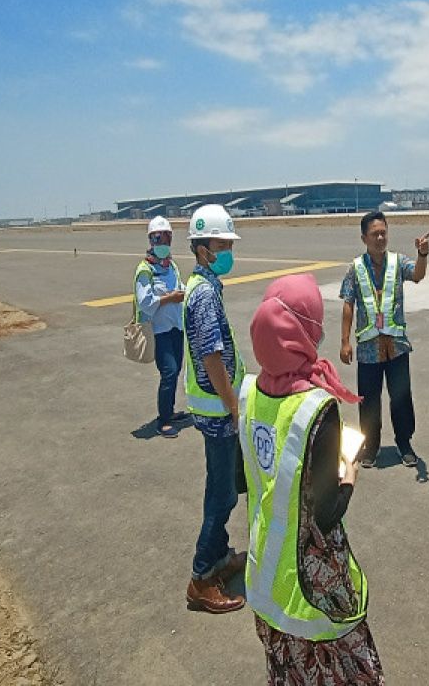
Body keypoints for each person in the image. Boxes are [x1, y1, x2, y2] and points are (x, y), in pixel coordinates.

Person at [241, 274, 385, 685]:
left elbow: (246, 477)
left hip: (265, 565)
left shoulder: (250, 394)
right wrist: (350, 473)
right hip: (310, 574)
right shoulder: (316, 407)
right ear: (305, 331)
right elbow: (326, 513)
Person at [183, 204, 248, 613]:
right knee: (222, 496)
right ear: (203, 249)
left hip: (213, 411)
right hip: (218, 414)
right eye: (222, 245)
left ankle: (221, 557)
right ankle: (202, 577)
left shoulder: (201, 285)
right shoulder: (204, 292)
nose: (228, 252)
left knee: (222, 488)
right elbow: (211, 356)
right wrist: (233, 407)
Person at [339, 211, 429, 468]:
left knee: (401, 397)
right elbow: (348, 304)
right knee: (368, 400)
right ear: (364, 238)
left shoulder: (398, 262)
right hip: (368, 348)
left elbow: (418, 275)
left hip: (397, 347)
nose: (380, 238)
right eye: (374, 234)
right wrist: (345, 341)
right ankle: (371, 447)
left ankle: (405, 443)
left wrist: (422, 254)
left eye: (383, 232)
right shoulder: (355, 268)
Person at [134, 216, 187, 437]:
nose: (163, 242)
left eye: (167, 237)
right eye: (159, 237)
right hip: (159, 331)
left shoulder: (171, 265)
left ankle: (170, 411)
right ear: (151, 239)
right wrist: (169, 298)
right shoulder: (145, 270)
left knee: (174, 373)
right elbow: (145, 302)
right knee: (169, 372)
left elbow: (180, 286)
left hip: (176, 327)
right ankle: (163, 420)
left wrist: (184, 293)